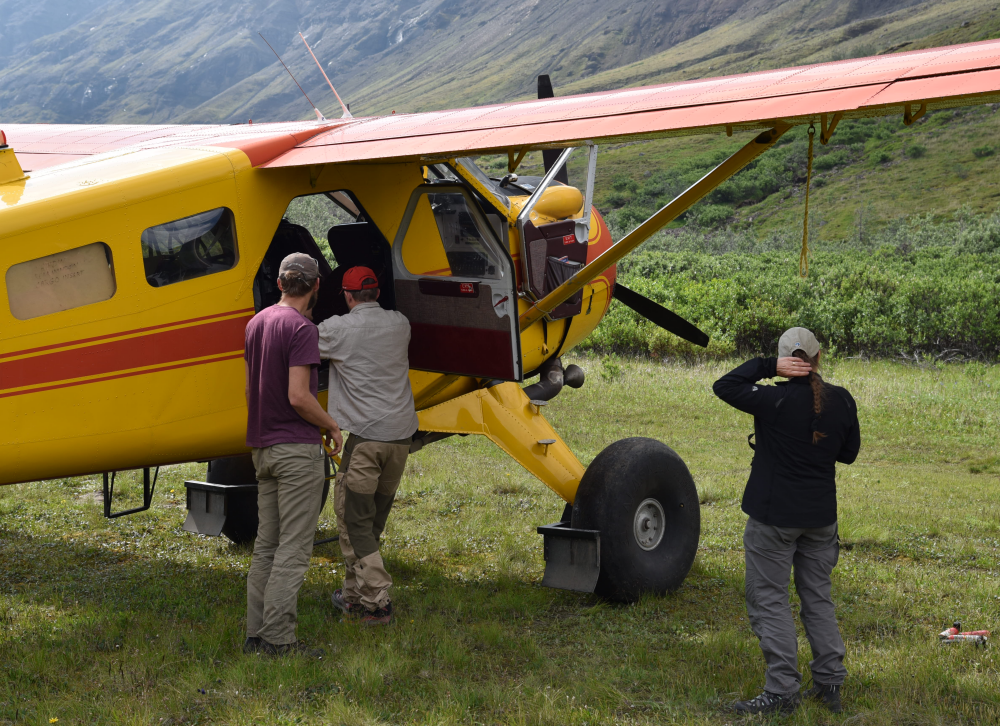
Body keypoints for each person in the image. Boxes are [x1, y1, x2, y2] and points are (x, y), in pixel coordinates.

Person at [713, 327, 861, 715]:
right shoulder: (842, 400)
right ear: (818, 357)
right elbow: (848, 454)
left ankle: (781, 691)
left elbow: (724, 385)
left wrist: (765, 366)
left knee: (770, 599)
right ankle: (829, 682)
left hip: (774, 517)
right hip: (820, 517)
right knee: (817, 598)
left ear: (786, 361)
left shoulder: (772, 398)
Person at [243, 252, 343, 656]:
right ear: (317, 286)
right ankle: (279, 640)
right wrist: (331, 425)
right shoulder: (303, 329)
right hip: (295, 452)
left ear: (280, 283)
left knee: (266, 545)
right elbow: (300, 397)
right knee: (295, 547)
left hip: (262, 448)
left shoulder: (256, 323)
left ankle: (255, 636)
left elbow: (252, 393)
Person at [317, 266, 419, 626]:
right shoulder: (401, 323)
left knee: (352, 521)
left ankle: (378, 603)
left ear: (347, 296)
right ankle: (353, 596)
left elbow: (301, 343)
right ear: (377, 293)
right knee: (369, 523)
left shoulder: (338, 329)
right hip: (401, 440)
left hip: (366, 442)